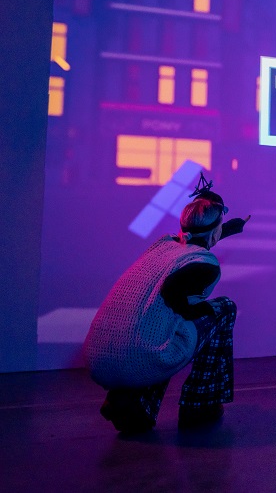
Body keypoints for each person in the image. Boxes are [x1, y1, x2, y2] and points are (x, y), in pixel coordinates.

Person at [84, 176, 250, 433]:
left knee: (158, 321)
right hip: (142, 355)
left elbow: (195, 239)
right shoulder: (205, 265)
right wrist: (199, 310)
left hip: (100, 358)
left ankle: (128, 400)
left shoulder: (164, 245)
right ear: (215, 229)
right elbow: (173, 290)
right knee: (223, 309)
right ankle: (200, 405)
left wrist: (226, 228)